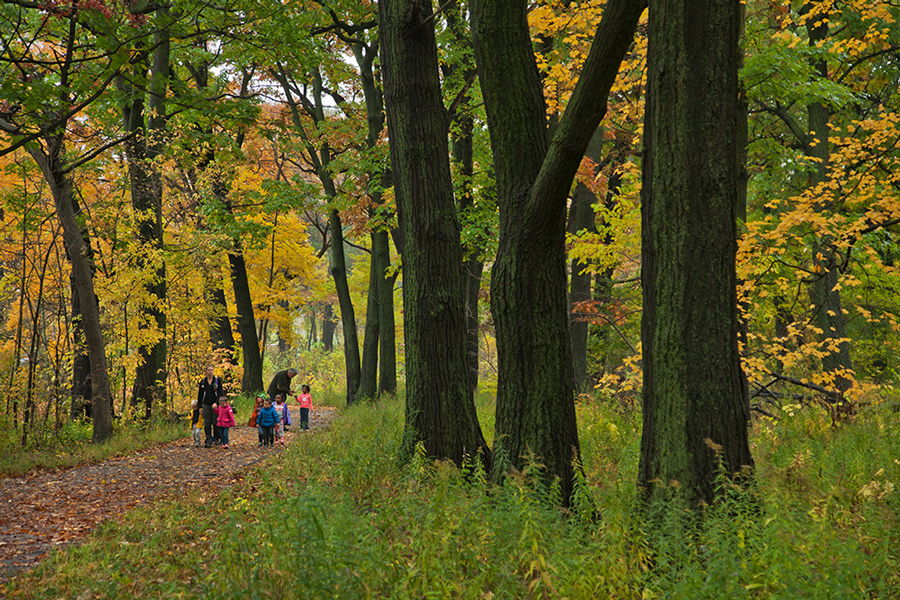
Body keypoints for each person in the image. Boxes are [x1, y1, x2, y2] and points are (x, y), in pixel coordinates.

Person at [197, 365, 225, 448]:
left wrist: (217, 403)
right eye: (209, 370)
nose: (210, 372)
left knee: (215, 422)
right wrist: (200, 407)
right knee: (207, 422)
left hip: (215, 405)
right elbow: (200, 395)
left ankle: (217, 438)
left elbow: (220, 393)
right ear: (206, 371)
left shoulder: (217, 381)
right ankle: (208, 440)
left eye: (212, 370)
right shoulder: (203, 382)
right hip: (206, 404)